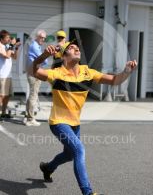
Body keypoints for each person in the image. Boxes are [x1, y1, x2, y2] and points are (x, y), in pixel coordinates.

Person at [29, 41, 137, 195]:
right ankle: (87, 192)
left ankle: (48, 168)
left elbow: (114, 80)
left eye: (77, 47)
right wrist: (44, 56)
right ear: (64, 57)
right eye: (71, 48)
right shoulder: (57, 73)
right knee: (79, 150)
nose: (77, 48)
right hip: (58, 122)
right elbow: (34, 71)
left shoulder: (87, 72)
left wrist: (126, 71)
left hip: (75, 123)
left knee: (69, 155)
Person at [25, 30, 48, 126]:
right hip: (34, 74)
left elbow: (43, 59)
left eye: (44, 38)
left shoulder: (36, 46)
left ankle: (28, 116)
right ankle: (30, 119)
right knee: (33, 96)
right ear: (37, 37)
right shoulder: (35, 46)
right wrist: (44, 59)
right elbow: (44, 60)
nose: (43, 39)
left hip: (34, 73)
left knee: (32, 95)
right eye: (41, 37)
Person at [0, 30, 21, 121]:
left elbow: (14, 57)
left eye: (9, 37)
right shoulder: (0, 46)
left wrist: (16, 48)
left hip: (8, 75)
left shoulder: (8, 46)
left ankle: (3, 113)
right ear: (2, 38)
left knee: (7, 95)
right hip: (2, 75)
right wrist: (12, 45)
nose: (9, 39)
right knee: (1, 96)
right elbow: (6, 56)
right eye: (7, 38)